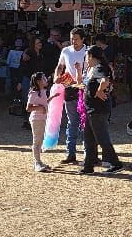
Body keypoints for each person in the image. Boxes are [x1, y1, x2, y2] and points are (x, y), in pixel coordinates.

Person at [80, 46, 123, 175]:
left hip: (97, 109)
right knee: (89, 138)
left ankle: (116, 163)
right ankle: (89, 165)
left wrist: (99, 91)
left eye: (87, 56)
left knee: (101, 138)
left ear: (92, 56)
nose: (86, 59)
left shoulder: (99, 68)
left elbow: (105, 80)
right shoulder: (94, 68)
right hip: (91, 108)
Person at [55, 27, 89, 163]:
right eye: (71, 39)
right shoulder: (66, 51)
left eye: (76, 39)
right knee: (72, 122)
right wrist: (57, 76)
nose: (73, 42)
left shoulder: (88, 51)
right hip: (69, 88)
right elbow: (60, 66)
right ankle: (71, 153)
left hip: (84, 88)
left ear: (83, 39)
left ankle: (88, 153)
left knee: (85, 122)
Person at [26, 72, 52, 172]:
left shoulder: (43, 91)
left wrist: (52, 98)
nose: (46, 80)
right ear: (38, 81)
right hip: (36, 119)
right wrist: (40, 107)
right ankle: (37, 162)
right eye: (44, 78)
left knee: (40, 141)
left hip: (42, 118)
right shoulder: (33, 93)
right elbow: (28, 108)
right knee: (37, 141)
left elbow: (43, 103)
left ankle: (39, 161)